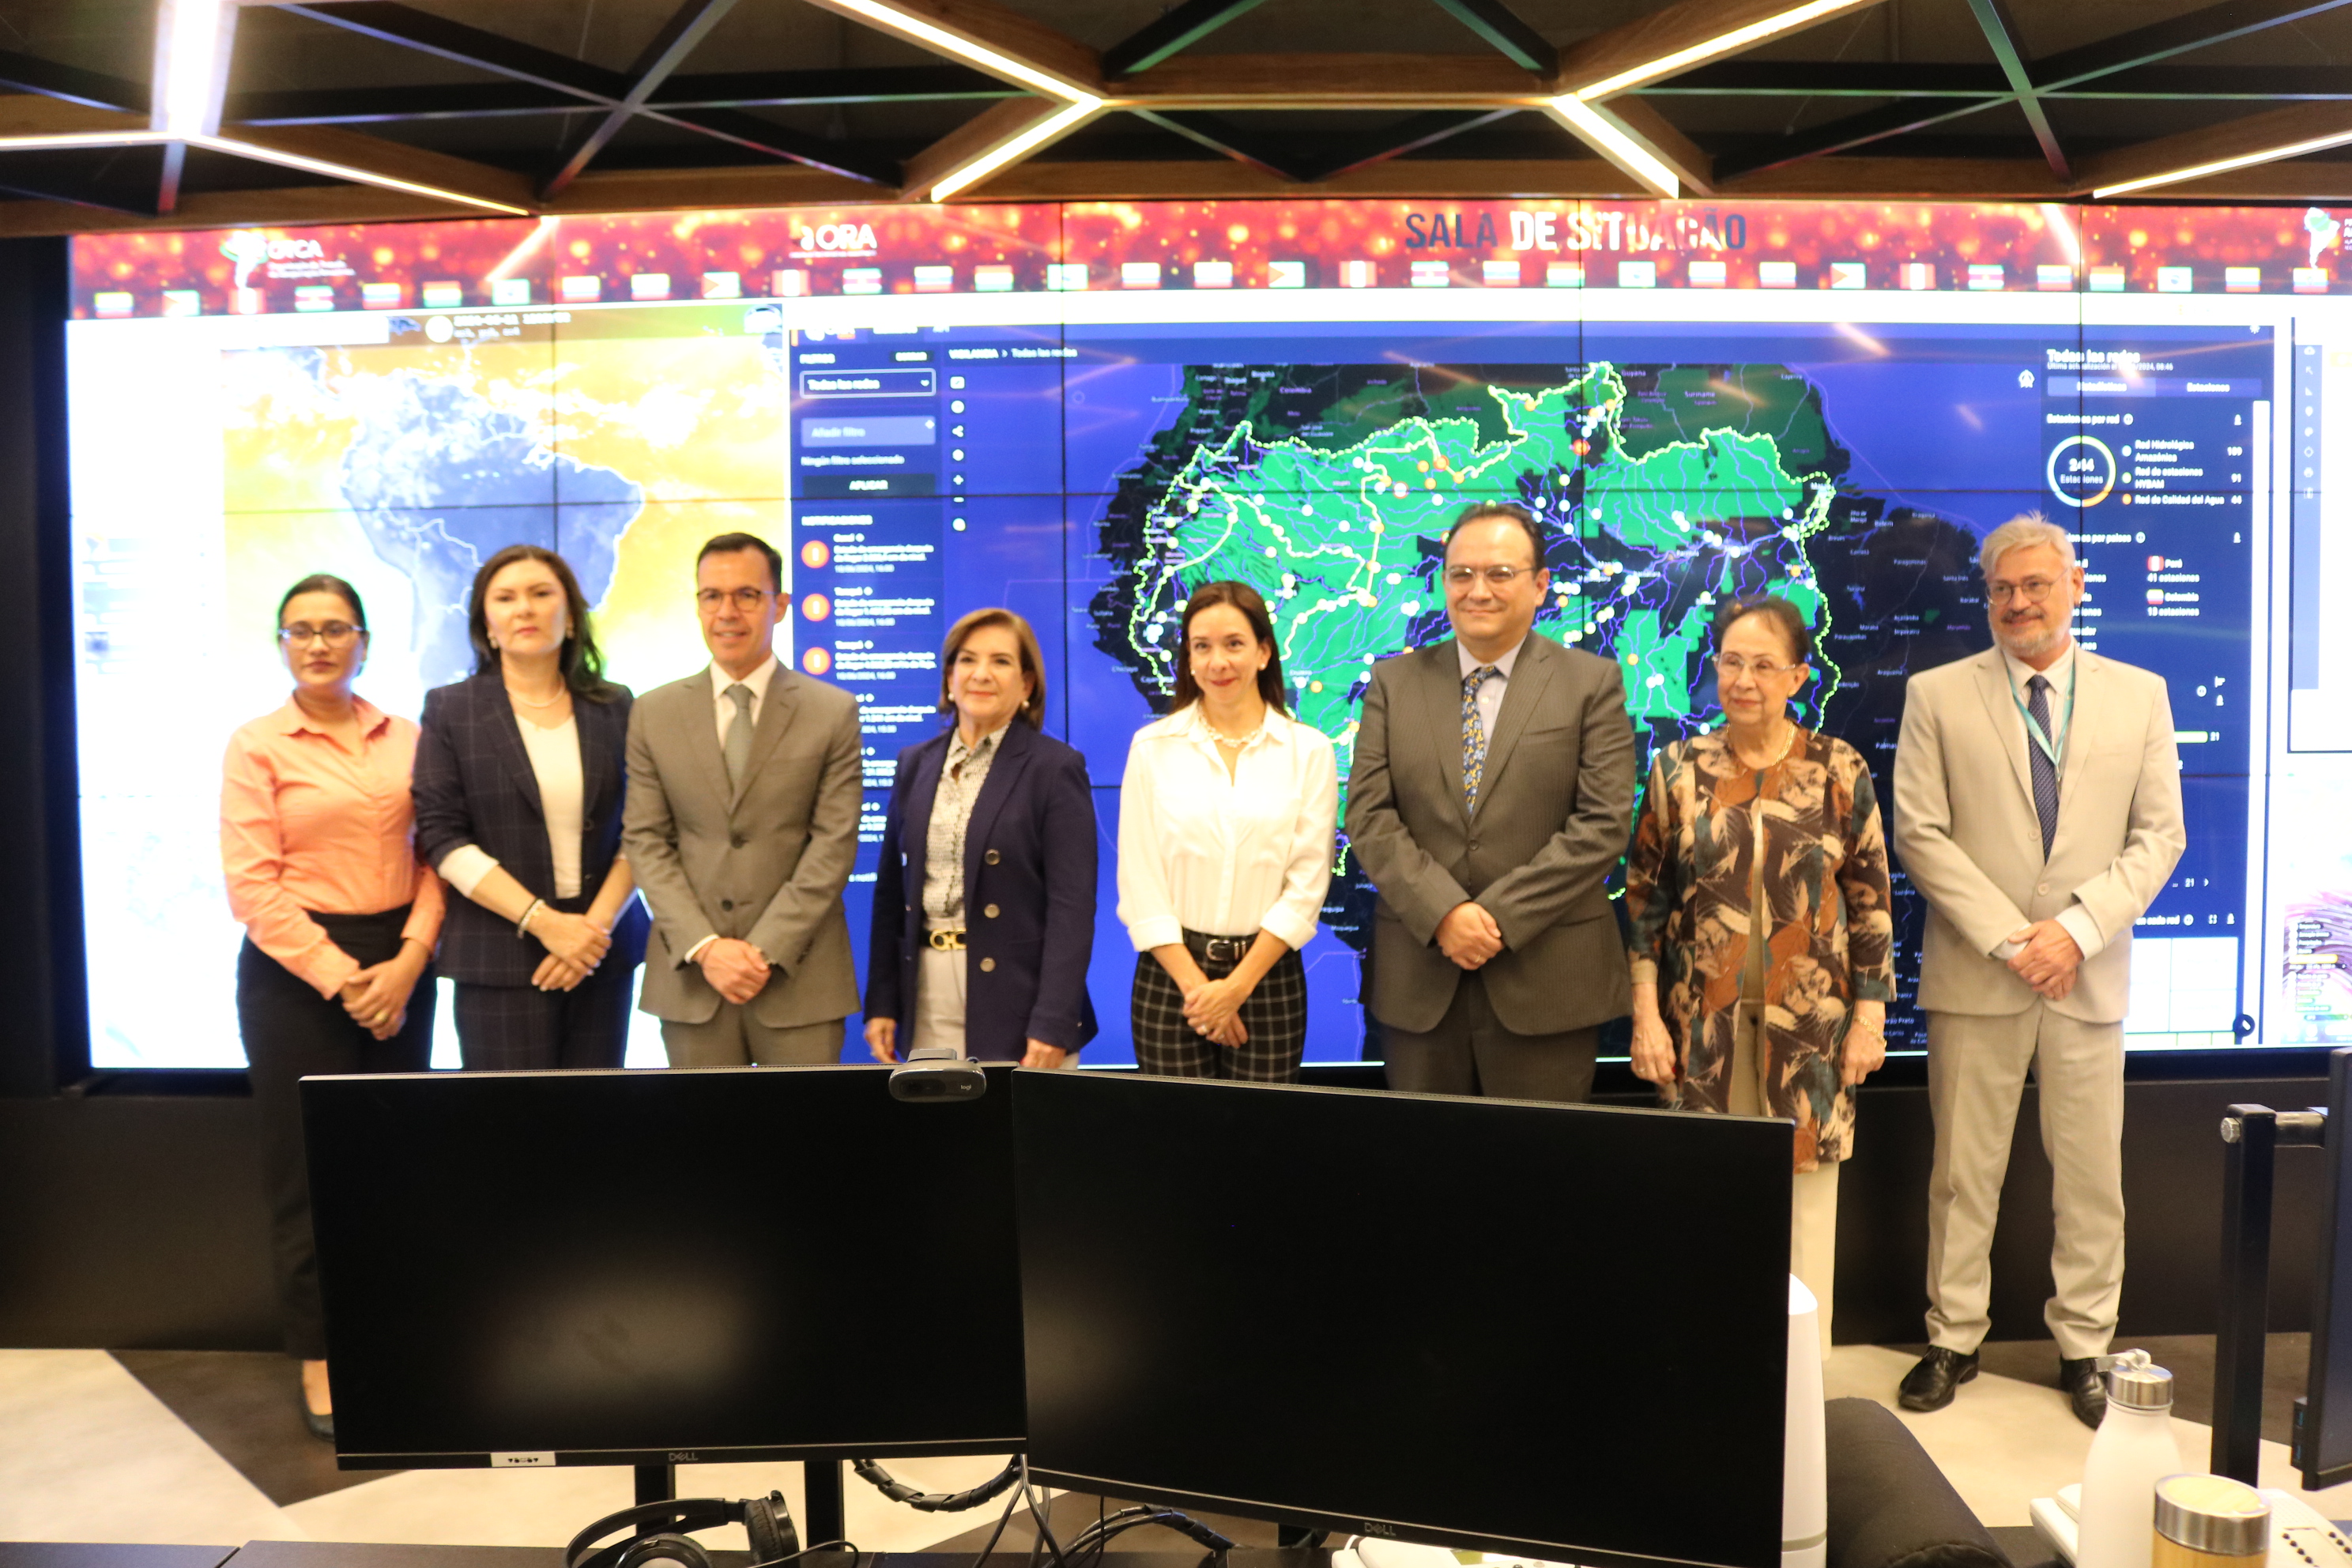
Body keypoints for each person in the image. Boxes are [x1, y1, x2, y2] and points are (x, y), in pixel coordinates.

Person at [1892, 513, 2186, 1427]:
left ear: (2075, 585)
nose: (2019, 602)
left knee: (2092, 1177)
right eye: (2003, 589)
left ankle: (2086, 1346)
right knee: (1961, 1174)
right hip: (1979, 974)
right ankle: (1952, 1337)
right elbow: (1920, 835)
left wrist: (2076, 932)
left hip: (2086, 977)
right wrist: (2019, 941)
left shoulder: (2140, 695)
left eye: (2035, 585)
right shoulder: (1937, 696)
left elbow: (2160, 837)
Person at [1623, 595, 1894, 1355]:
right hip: (1700, 1033)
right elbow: (1644, 905)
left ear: (1798, 677)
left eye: (1764, 665)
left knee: (1805, 1221)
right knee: (1704, 1210)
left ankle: (1800, 1394)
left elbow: (1871, 903)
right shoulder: (1678, 769)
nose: (1744, 680)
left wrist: (1869, 1021)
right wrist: (1645, 1018)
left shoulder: (1839, 768)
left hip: (1811, 1034)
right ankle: (1706, 1377)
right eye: (1732, 662)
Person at [221, 573, 444, 1442]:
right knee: (308, 1171)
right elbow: (253, 887)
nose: (318, 643)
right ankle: (319, 1355)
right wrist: (348, 979)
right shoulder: (256, 745)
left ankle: (390, 1337)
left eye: (336, 628)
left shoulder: (410, 737)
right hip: (295, 971)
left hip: (403, 959)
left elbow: (437, 856)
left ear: (365, 643)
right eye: (301, 630)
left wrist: (408, 961)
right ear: (282, 644)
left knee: (395, 1166)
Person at [1345, 502, 1634, 1102]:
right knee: (1429, 1159)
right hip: (1421, 979)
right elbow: (1369, 817)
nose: (1478, 591)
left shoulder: (1591, 683)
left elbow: (1603, 824)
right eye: (1462, 574)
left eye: (1500, 574)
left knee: (1538, 1158)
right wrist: (1445, 913)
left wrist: (1497, 918)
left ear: (1540, 584)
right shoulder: (1393, 685)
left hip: (1548, 981)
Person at [624, 532, 861, 1065]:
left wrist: (763, 950)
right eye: (712, 596)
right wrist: (706, 948)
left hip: (802, 979)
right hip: (692, 981)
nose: (727, 612)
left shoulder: (832, 712)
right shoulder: (652, 713)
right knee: (703, 1124)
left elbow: (833, 845)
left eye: (747, 595)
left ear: (780, 606)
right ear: (697, 605)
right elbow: (645, 841)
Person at [412, 545, 648, 1070]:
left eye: (541, 594)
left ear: (571, 617)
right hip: (499, 959)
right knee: (509, 1120)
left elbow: (645, 826)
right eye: (506, 598)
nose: (524, 608)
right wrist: (545, 924)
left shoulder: (616, 706)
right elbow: (442, 837)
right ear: (487, 625)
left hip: (601, 955)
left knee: (598, 1117)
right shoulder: (451, 709)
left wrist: (591, 932)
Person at [1117, 581, 1337, 1080]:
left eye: (1234, 644)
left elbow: (1307, 886)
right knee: (1173, 1128)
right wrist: (1202, 993)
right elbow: (1141, 883)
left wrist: (1235, 990)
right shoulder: (1152, 748)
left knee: (1259, 1130)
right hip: (1171, 977)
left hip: (1268, 975)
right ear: (1189, 659)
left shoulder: (1309, 751)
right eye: (1202, 646)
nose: (1218, 662)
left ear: (1263, 652)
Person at [865, 609, 1096, 1068]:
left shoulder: (1055, 768)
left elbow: (1071, 908)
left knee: (1015, 1116)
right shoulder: (914, 763)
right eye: (967, 659)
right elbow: (890, 894)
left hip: (1019, 1003)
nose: (981, 674)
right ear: (950, 676)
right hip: (924, 992)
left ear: (1027, 684)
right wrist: (883, 1002)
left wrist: (1053, 1021)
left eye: (1001, 661)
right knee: (936, 1115)